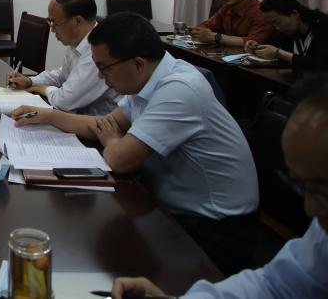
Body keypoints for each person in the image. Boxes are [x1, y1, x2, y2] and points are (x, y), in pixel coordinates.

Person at [12, 12, 260, 275]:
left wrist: (112, 138)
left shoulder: (179, 90)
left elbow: (119, 159)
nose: (100, 76)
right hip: (171, 207)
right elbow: (104, 124)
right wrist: (48, 115)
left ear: (138, 64)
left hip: (212, 227)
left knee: (97, 255)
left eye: (104, 68)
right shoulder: (148, 78)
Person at [110, 81, 328, 298]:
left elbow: (120, 158)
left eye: (322, 191)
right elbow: (274, 286)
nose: (309, 208)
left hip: (217, 229)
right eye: (303, 186)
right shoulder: (322, 236)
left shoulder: (180, 89)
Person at [6, 0, 119, 116]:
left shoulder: (99, 50)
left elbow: (64, 102)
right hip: (78, 117)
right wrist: (30, 81)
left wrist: (42, 89)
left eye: (55, 23)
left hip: (98, 123)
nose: (52, 30)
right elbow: (62, 76)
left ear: (77, 21)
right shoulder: (77, 42)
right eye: (50, 22)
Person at [244, 0, 328, 71]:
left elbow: (319, 63)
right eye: (273, 24)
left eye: (277, 22)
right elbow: (273, 44)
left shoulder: (323, 27)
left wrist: (278, 53)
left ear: (295, 14)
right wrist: (256, 47)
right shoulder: (290, 31)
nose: (277, 28)